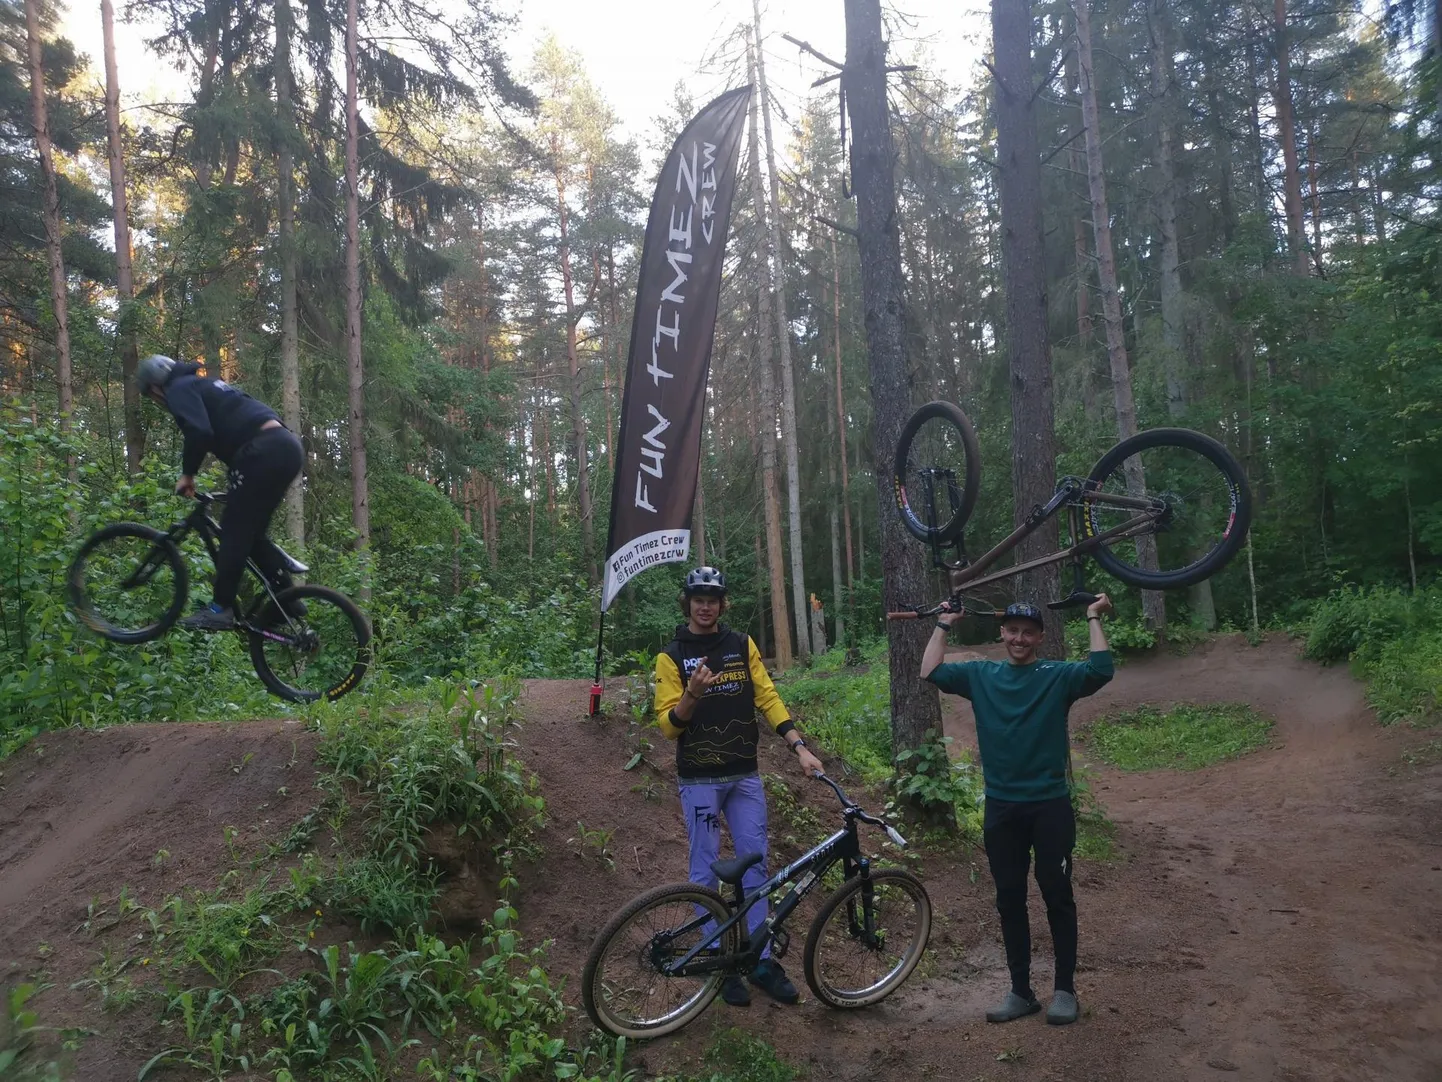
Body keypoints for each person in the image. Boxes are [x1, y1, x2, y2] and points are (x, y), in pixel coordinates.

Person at [921, 594, 1115, 1027]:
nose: (1019, 639)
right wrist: (945, 623)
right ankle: (1021, 991)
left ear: (1041, 638)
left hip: (1049, 806)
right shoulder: (981, 675)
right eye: (1012, 631)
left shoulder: (1056, 676)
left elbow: (1102, 670)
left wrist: (1091, 616)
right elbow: (929, 671)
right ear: (1002, 633)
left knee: (1056, 894)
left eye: (1028, 632)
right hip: (1002, 808)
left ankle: (1064, 990)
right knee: (1009, 898)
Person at [654, 565, 825, 1008]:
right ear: (687, 604)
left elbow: (766, 697)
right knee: (705, 868)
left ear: (721, 603)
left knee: (756, 867)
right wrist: (691, 694)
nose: (706, 606)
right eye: (698, 599)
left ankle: (760, 960)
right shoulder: (672, 655)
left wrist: (798, 746)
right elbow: (668, 728)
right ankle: (718, 958)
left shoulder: (740, 644)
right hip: (700, 781)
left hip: (744, 776)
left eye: (713, 599)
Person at [136, 353, 305, 631]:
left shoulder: (178, 388)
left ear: (155, 387)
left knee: (233, 531)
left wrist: (187, 474)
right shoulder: (203, 384)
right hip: (285, 447)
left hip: (261, 451)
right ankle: (288, 598)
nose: (157, 401)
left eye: (152, 396)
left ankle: (220, 609)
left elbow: (199, 431)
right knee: (251, 533)